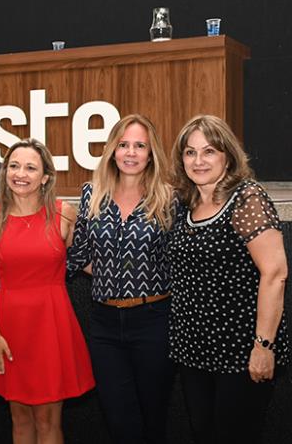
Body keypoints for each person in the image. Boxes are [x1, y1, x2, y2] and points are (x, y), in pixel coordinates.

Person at [168, 115, 289, 444]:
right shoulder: (185, 202)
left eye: (209, 151)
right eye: (190, 153)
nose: (198, 160)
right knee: (203, 433)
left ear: (228, 156)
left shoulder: (246, 198)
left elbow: (275, 273)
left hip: (240, 352)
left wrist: (263, 346)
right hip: (193, 351)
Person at [67, 114, 176, 444]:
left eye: (139, 145)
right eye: (123, 144)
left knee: (154, 417)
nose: (131, 152)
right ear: (112, 150)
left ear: (151, 152)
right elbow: (78, 255)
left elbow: (178, 260)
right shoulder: (92, 193)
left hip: (154, 321)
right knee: (118, 419)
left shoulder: (169, 197)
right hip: (104, 324)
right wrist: (114, 275)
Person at [0, 138, 95, 444]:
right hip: (10, 329)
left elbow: (86, 262)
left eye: (31, 167)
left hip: (51, 327)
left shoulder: (64, 213)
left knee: (47, 421)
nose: (21, 174)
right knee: (18, 420)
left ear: (45, 176)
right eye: (14, 166)